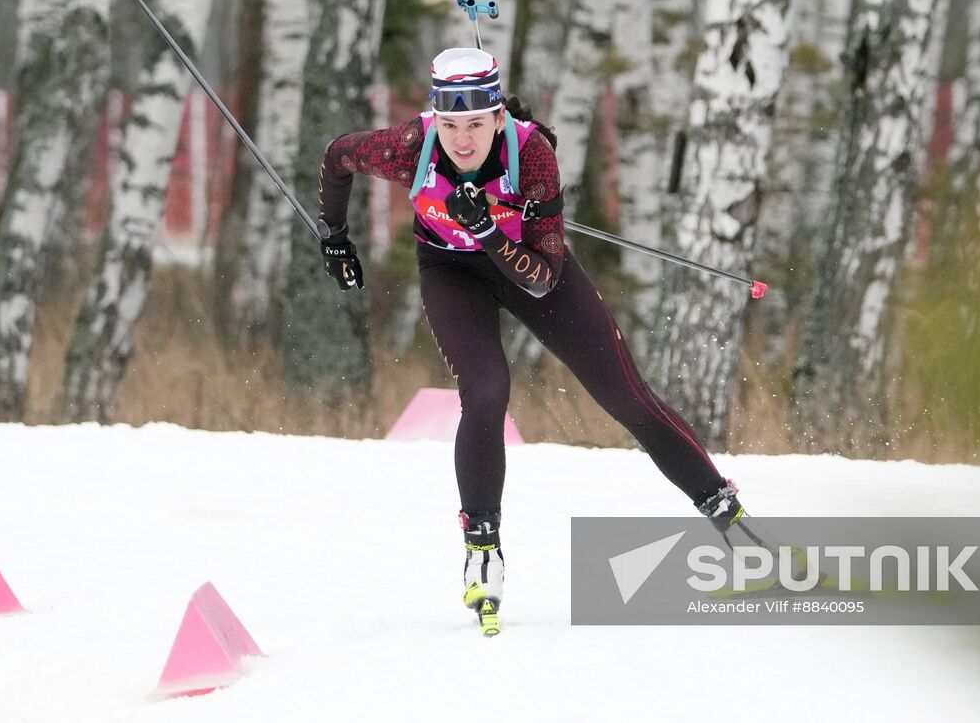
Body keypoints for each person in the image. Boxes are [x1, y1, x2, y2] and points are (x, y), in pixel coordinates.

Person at [315, 47, 749, 628]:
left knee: (628, 398)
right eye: (450, 126)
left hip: (532, 268)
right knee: (487, 393)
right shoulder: (409, 148)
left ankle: (733, 523)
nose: (462, 141)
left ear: (499, 118)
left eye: (475, 125)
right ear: (433, 121)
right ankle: (483, 554)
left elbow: (544, 281)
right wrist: (335, 236)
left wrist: (490, 231)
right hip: (450, 272)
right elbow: (338, 155)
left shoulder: (533, 155)